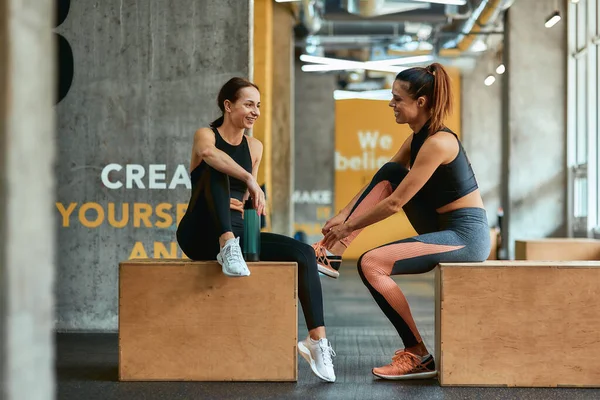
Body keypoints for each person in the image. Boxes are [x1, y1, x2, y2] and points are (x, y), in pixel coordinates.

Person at [312, 63, 490, 380]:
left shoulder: (439, 142)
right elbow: (382, 183)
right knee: (392, 171)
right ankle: (335, 252)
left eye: (397, 99)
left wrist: (348, 226)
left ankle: (418, 354)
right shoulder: (416, 138)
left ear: (420, 102)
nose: (391, 104)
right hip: (439, 224)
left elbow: (394, 203)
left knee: (372, 263)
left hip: (466, 235)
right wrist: (343, 216)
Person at [176, 77, 336, 383]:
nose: (255, 111)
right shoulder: (205, 136)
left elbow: (251, 203)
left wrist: (251, 207)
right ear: (228, 105)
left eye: (258, 105)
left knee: (303, 252)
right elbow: (211, 157)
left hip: (238, 232)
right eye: (249, 104)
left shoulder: (255, 146)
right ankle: (226, 246)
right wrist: (249, 179)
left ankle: (317, 341)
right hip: (199, 232)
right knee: (216, 170)